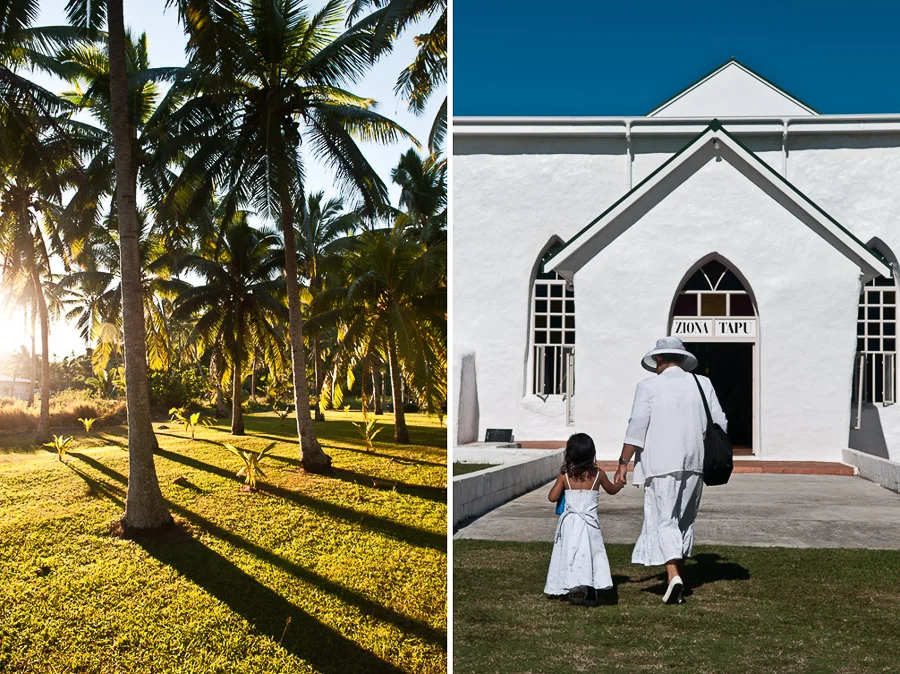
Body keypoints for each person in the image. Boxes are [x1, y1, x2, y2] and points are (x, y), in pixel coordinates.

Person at [614, 337, 727, 605]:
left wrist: (622, 463)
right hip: (695, 462)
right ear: (681, 359)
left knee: (664, 519)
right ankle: (677, 581)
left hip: (661, 464)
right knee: (684, 521)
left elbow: (637, 426)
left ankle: (673, 575)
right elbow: (720, 421)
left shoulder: (648, 386)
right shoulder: (702, 383)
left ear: (660, 359)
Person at [544, 432, 625, 605]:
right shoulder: (598, 475)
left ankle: (570, 587)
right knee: (589, 554)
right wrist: (620, 482)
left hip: (570, 522)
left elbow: (552, 497)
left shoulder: (565, 476)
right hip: (590, 523)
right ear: (591, 453)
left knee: (569, 553)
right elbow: (611, 489)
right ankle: (588, 586)